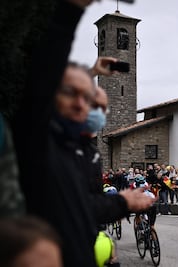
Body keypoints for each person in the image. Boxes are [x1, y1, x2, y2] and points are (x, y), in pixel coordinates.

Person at [12, 2, 156, 265]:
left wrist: (122, 203)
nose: (83, 105)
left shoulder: (85, 149)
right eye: (73, 96)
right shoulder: (42, 141)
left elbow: (82, 207)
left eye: (92, 101)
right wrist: (70, 12)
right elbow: (42, 81)